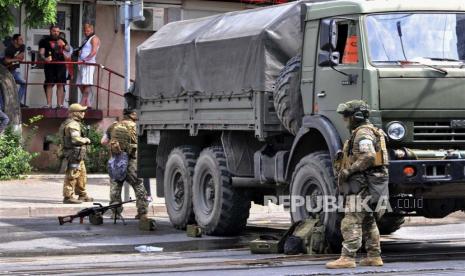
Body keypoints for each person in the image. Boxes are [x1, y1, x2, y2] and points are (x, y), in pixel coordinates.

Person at [326, 100, 389, 269]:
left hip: (362, 183)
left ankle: (347, 257)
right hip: (369, 183)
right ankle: (374, 256)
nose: (344, 120)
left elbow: (368, 156)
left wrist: (349, 171)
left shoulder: (363, 133)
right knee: (368, 220)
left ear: (356, 117)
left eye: (346, 116)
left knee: (351, 220)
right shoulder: (368, 131)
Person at [101, 109, 154, 230]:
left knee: (115, 185)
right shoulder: (138, 127)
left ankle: (115, 213)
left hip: (117, 161)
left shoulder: (113, 126)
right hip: (132, 162)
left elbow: (103, 141)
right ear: (132, 115)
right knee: (138, 185)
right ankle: (142, 212)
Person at [59, 103, 94, 204]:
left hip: (78, 155)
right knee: (72, 175)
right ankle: (68, 196)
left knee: (82, 174)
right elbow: (75, 140)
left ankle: (82, 195)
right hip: (73, 154)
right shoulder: (73, 124)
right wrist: (86, 140)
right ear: (74, 113)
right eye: (81, 111)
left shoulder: (72, 123)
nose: (83, 113)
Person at [39, 25, 70, 109]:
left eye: (57, 31)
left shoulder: (62, 40)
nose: (56, 33)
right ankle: (49, 104)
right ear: (50, 31)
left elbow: (68, 49)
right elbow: (41, 53)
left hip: (61, 64)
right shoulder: (44, 40)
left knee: (60, 84)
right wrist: (45, 58)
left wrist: (63, 45)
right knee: (49, 83)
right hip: (49, 65)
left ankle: (59, 104)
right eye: (54, 31)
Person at [76, 23, 100, 107]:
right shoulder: (87, 39)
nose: (86, 32)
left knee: (87, 83)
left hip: (88, 64)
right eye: (85, 31)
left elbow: (94, 51)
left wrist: (86, 59)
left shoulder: (94, 38)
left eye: (88, 31)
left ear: (92, 30)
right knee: (79, 83)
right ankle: (88, 102)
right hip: (82, 63)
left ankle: (82, 104)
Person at [3, 34, 27, 107]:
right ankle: (3, 106)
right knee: (4, 88)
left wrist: (14, 59)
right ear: (15, 41)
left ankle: (17, 102)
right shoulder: (9, 49)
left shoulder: (22, 46)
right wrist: (16, 58)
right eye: (20, 39)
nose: (22, 40)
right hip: (5, 72)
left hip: (13, 70)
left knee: (24, 83)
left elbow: (22, 57)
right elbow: (6, 61)